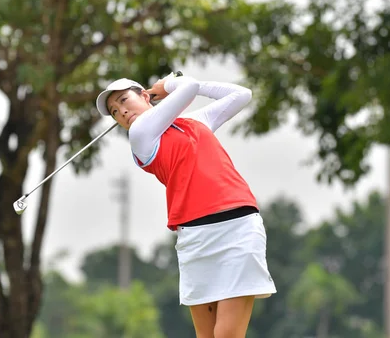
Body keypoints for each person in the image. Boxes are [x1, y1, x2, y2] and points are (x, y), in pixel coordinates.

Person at [95, 72, 277, 338]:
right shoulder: (140, 135)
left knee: (227, 335)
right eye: (114, 111)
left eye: (124, 100)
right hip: (195, 238)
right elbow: (187, 87)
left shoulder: (193, 122)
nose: (121, 111)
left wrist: (185, 86)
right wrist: (168, 85)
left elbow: (241, 95)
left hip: (238, 229)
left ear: (145, 96)